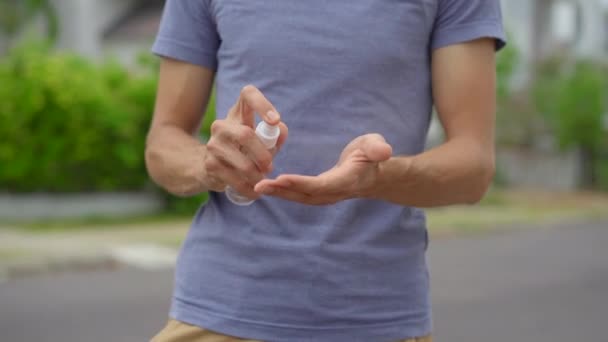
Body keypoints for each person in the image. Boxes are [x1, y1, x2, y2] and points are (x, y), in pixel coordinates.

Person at [146, 0, 505, 341]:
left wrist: (379, 177)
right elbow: (164, 141)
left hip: (374, 319)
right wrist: (210, 165)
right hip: (216, 313)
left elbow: (473, 167)